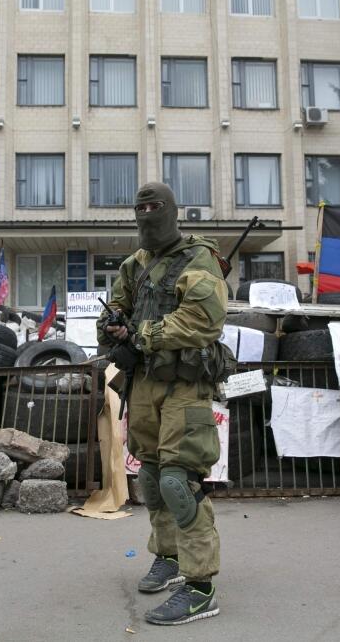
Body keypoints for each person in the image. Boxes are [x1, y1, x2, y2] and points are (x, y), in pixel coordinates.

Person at [97, 182, 228, 626]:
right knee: (151, 477)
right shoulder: (136, 265)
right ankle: (168, 558)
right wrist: (114, 328)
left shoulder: (199, 258)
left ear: (173, 211)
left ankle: (200, 587)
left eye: (156, 207)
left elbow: (203, 320)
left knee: (179, 481)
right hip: (145, 383)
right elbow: (115, 308)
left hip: (186, 384)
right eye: (141, 208)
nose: (147, 214)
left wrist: (141, 336)